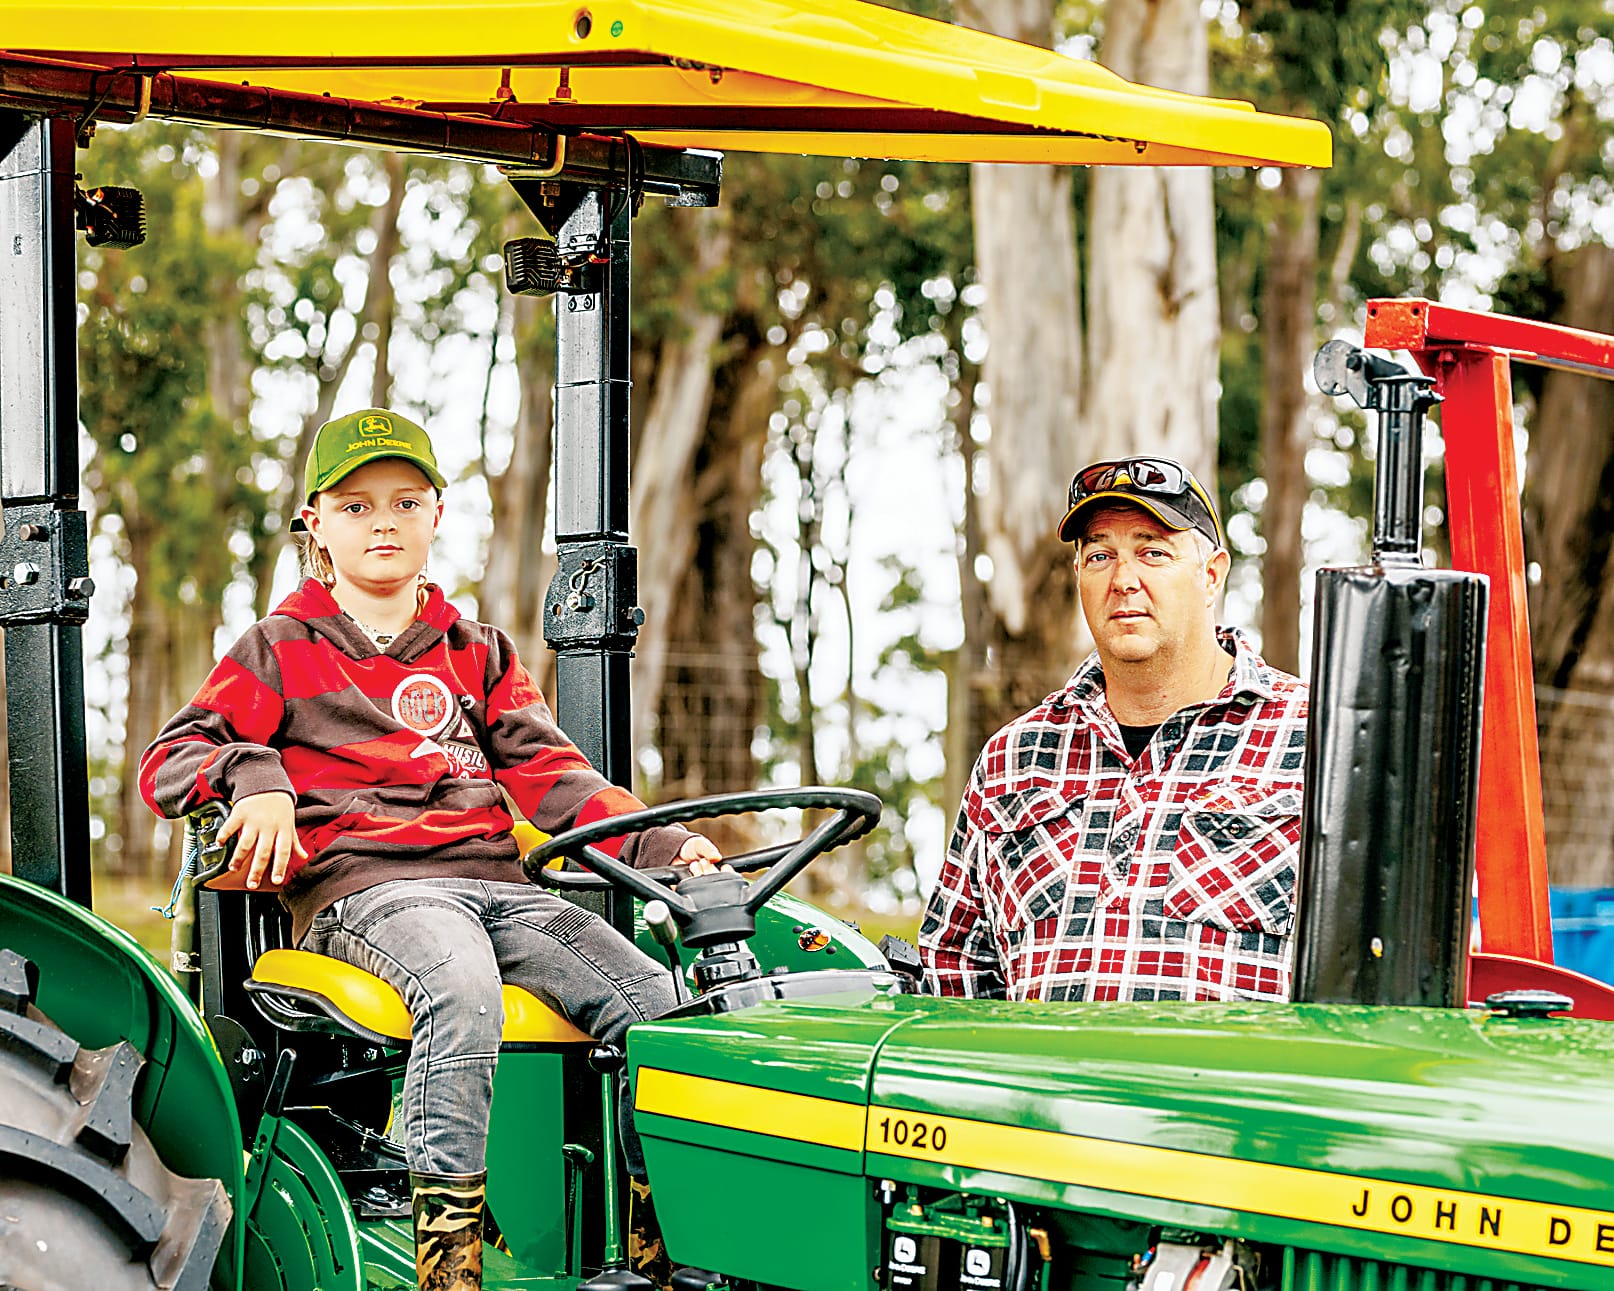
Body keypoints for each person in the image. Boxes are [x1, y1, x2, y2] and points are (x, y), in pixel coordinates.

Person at [139, 408, 717, 1291]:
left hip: (498, 886)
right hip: (368, 892)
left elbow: (557, 777)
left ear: (436, 514)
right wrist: (255, 773)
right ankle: (449, 1264)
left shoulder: (476, 650)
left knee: (659, 1001)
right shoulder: (280, 646)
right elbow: (170, 758)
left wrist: (670, 845)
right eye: (357, 504)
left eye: (405, 502)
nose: (383, 522)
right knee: (460, 984)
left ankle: (663, 1249)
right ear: (316, 524)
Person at [919, 455, 1308, 1003]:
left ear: (1211, 575)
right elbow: (953, 969)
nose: (1123, 580)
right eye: (1100, 555)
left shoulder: (1313, 742)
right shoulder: (1014, 758)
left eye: (1153, 552)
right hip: (1041, 1089)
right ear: (1078, 575)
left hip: (1226, 1089)